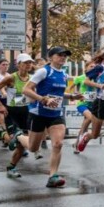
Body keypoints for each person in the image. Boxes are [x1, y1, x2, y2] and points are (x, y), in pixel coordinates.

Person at [20, 46, 77, 188]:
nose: (63, 57)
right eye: (60, 55)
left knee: (58, 144)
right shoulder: (44, 71)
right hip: (38, 113)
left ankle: (53, 176)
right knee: (33, 148)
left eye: (65, 55)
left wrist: (71, 96)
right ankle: (18, 137)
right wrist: (42, 99)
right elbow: (26, 89)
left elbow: (57, 94)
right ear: (51, 57)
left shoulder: (63, 74)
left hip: (55, 114)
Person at [0, 54, 36, 160]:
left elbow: (32, 94)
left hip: (26, 110)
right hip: (12, 111)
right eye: (26, 62)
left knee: (23, 138)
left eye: (30, 62)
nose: (29, 65)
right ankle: (0, 132)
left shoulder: (32, 78)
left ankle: (13, 163)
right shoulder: (11, 78)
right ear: (18, 64)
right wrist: (0, 106)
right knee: (13, 138)